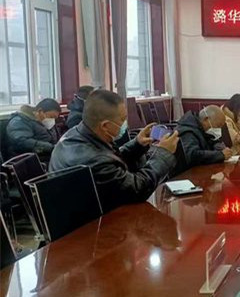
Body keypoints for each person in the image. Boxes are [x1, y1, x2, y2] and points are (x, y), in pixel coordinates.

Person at [49, 90, 180, 213]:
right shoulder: (93, 160)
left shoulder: (77, 133)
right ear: (105, 126)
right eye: (122, 120)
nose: (125, 124)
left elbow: (111, 160)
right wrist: (163, 154)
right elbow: (137, 189)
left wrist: (137, 144)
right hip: (89, 223)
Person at [174, 105, 233, 174]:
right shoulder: (187, 131)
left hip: (198, 172)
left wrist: (218, 146)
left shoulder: (200, 128)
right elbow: (193, 156)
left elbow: (210, 142)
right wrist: (220, 155)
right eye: (218, 126)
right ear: (206, 119)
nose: (218, 129)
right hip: (183, 175)